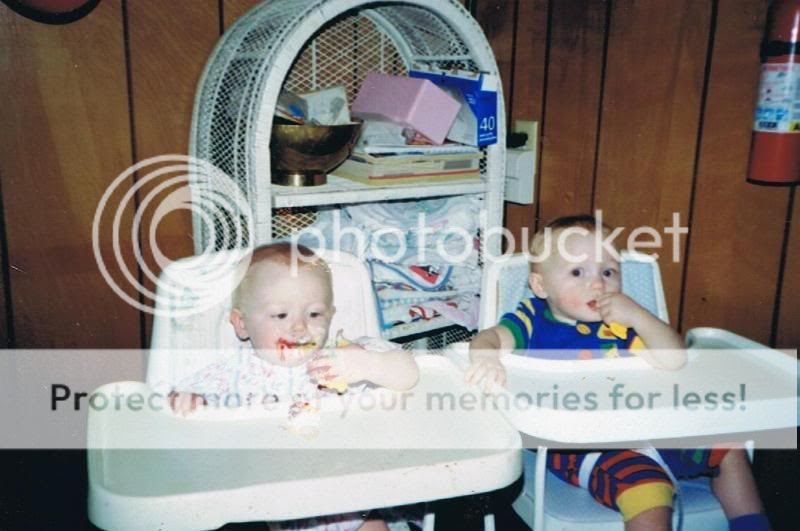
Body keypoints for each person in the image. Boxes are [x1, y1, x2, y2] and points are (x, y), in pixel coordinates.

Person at [466, 215, 770, 531]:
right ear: (540, 286)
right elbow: (489, 338)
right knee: (649, 488)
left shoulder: (621, 323)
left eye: (608, 272)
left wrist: (638, 317)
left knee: (727, 446)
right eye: (577, 272)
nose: (598, 284)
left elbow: (674, 359)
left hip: (649, 427)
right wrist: (487, 358)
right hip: (580, 445)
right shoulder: (533, 320)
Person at [169, 242, 420, 531]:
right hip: (280, 511)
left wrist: (369, 365)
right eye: (280, 315)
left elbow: (410, 373)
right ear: (241, 323)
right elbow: (174, 415)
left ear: (330, 314)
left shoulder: (344, 356)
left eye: (314, 314)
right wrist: (186, 403)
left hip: (356, 504)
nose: (299, 327)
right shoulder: (229, 376)